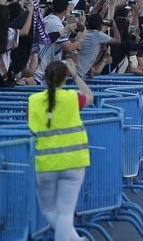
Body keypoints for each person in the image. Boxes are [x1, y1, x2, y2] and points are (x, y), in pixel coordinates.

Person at [28, 61, 93, 241]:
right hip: (74, 162)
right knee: (65, 213)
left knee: (49, 210)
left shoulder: (33, 101)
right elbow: (89, 96)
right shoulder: (72, 97)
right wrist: (76, 75)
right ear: (66, 77)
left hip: (46, 163)